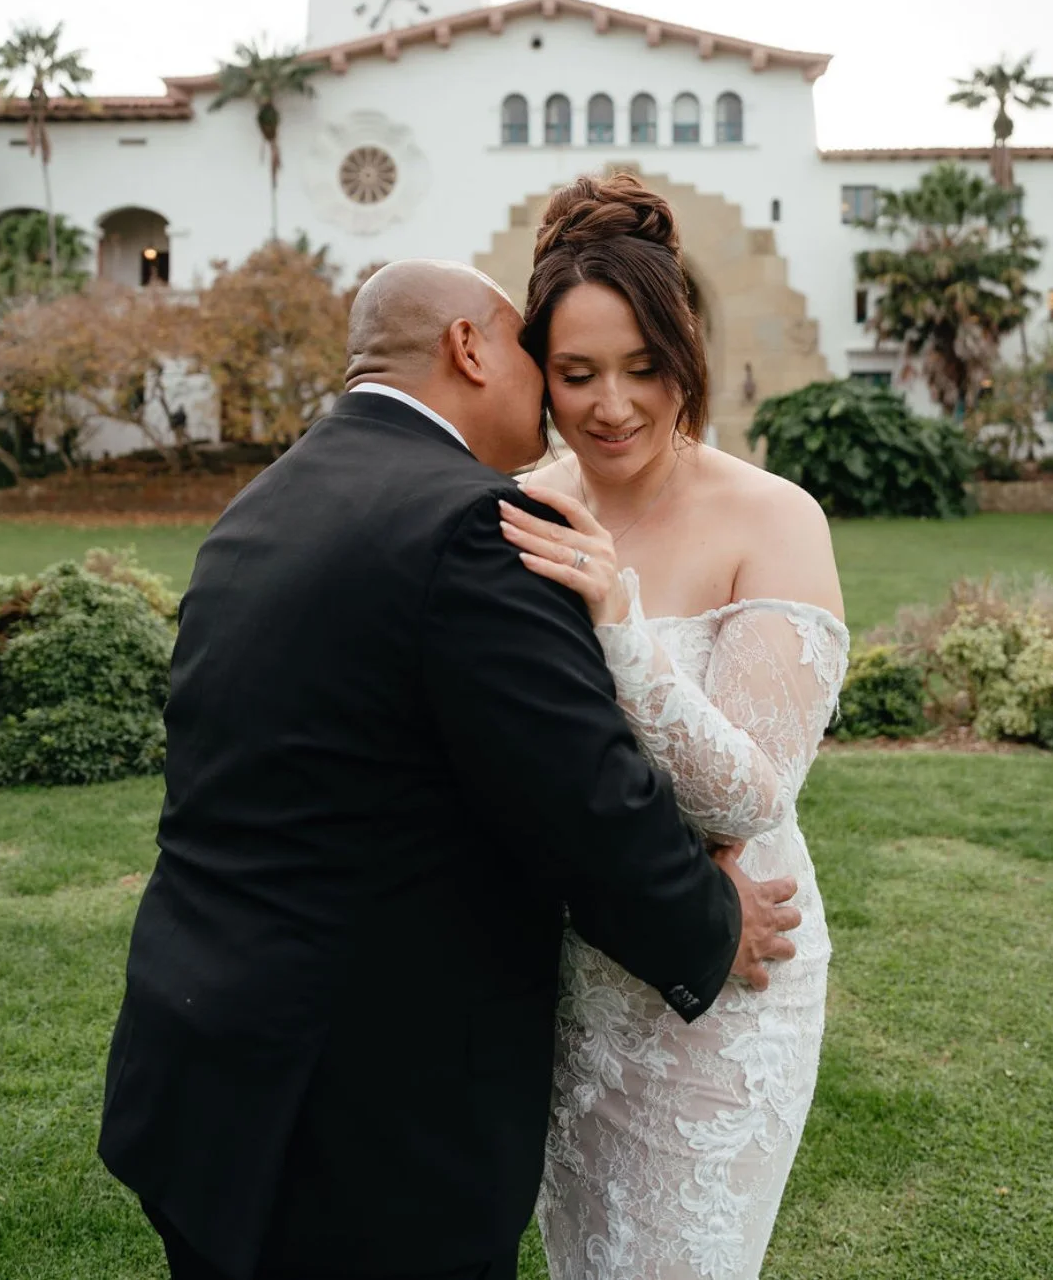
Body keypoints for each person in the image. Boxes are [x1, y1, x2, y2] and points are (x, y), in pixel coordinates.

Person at [98, 259, 802, 1280]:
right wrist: (712, 919)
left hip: (201, 1068)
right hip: (361, 1115)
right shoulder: (473, 523)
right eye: (535, 354)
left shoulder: (261, 506)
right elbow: (580, 793)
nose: (562, 403)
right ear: (471, 348)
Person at [502, 173, 848, 1280]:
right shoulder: (519, 503)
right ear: (538, 376)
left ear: (686, 354)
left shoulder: (772, 517)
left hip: (736, 981)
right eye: (578, 373)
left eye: (645, 368)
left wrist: (620, 621)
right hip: (565, 977)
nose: (613, 404)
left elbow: (749, 796)